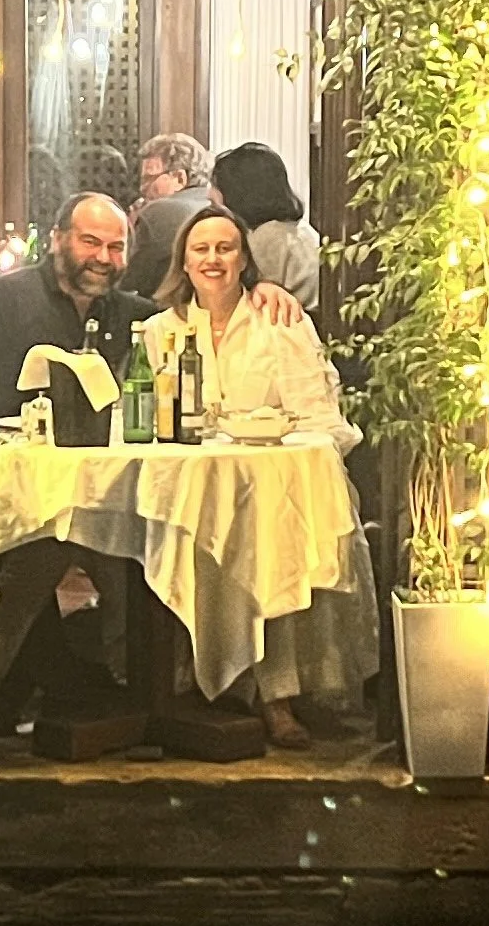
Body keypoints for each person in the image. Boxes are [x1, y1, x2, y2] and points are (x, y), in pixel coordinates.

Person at [0, 193, 305, 734]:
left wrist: (259, 287)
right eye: (90, 242)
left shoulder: (124, 311)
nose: (102, 257)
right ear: (58, 238)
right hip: (14, 483)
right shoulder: (6, 299)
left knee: (158, 534)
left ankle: (160, 687)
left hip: (102, 484)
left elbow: (193, 309)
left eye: (114, 246)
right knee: (48, 540)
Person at [143, 208, 374, 746]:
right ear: (183, 259)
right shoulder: (161, 330)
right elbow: (153, 412)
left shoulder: (279, 319)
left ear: (245, 258)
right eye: (200, 249)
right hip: (194, 486)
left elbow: (318, 412)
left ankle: (278, 695)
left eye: (225, 248)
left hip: (272, 482)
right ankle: (197, 688)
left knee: (273, 549)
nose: (213, 259)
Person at [210, 140, 322, 306]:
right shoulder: (303, 230)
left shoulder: (267, 240)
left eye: (215, 185)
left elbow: (239, 302)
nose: (210, 193)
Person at [120, 131, 213, 296]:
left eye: (149, 179)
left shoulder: (160, 212)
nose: (142, 188)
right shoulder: (220, 206)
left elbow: (128, 281)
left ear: (179, 178)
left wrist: (131, 230)